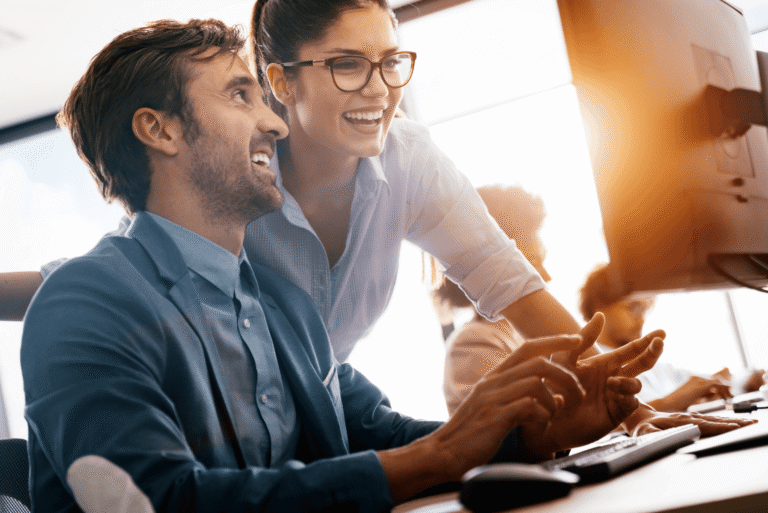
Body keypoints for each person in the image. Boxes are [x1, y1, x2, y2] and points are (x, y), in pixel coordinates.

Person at [22, 18, 687, 512]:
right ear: (158, 130)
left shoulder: (281, 306)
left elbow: (380, 434)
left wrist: (532, 435)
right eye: (240, 96)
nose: (276, 125)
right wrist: (443, 453)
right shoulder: (86, 302)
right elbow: (157, 501)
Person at [434, 185, 757, 435]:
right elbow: (511, 436)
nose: (544, 277)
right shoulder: (474, 344)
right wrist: (661, 406)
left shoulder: (539, 335)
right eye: (530, 263)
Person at [578, 263, 767, 412]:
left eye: (645, 308)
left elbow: (711, 381)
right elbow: (611, 422)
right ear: (598, 306)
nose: (641, 317)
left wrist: (746, 379)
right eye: (633, 307)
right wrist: (674, 401)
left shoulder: (657, 367)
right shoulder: (588, 366)